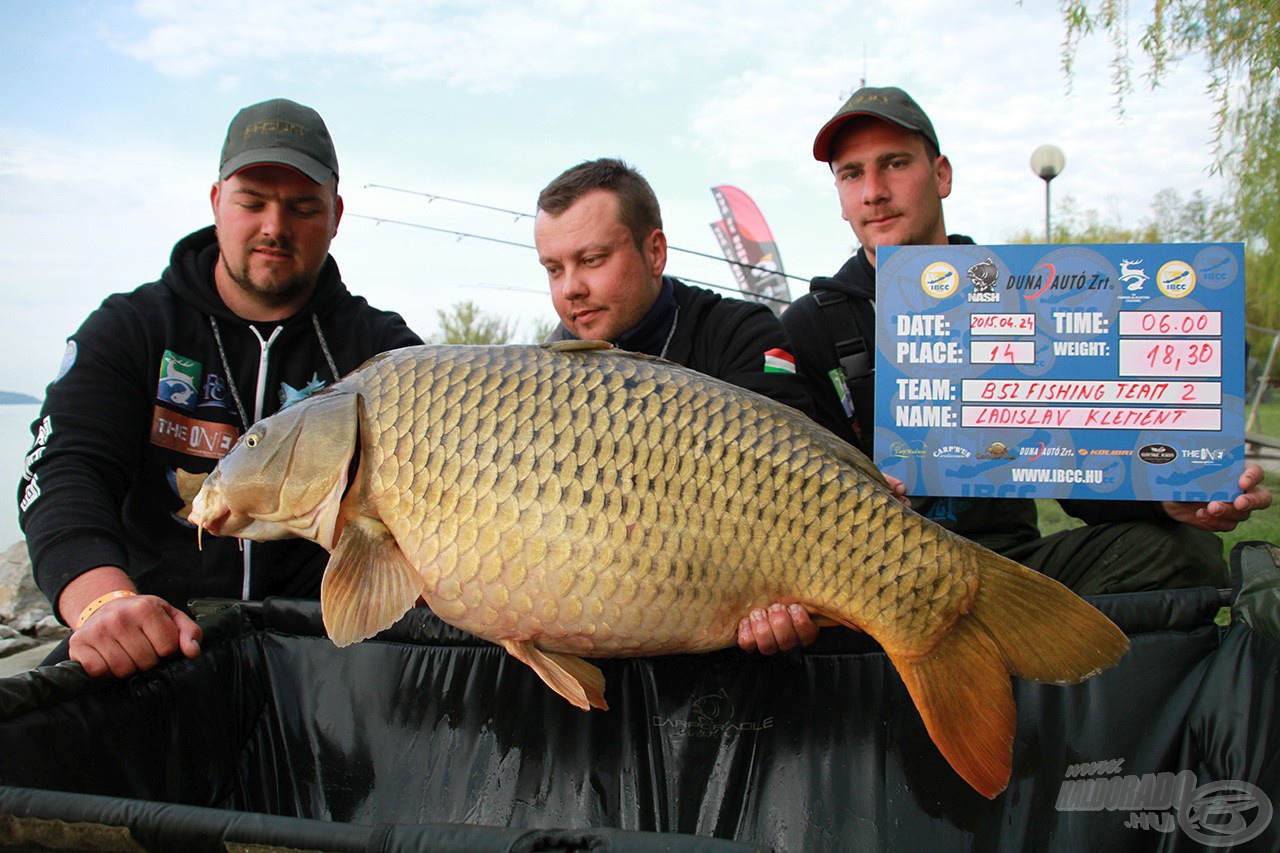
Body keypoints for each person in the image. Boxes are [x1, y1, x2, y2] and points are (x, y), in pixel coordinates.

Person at [771, 85, 1270, 641]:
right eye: (851, 174)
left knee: (1184, 551)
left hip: (1006, 565)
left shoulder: (1022, 292)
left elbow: (1080, 470)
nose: (874, 192)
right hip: (868, 576)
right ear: (839, 196)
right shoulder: (809, 324)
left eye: (895, 164)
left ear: (941, 175)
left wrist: (1168, 496)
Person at [17, 98, 423, 678]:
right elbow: (63, 471)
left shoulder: (384, 352)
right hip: (158, 639)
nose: (274, 228)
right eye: (251, 203)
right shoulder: (132, 329)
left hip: (332, 656)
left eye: (303, 208)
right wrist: (104, 603)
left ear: (336, 216)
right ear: (216, 203)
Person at [534, 158, 836, 653]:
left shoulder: (740, 332)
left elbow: (793, 486)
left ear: (655, 252)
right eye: (554, 269)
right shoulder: (541, 379)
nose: (571, 289)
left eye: (592, 260)